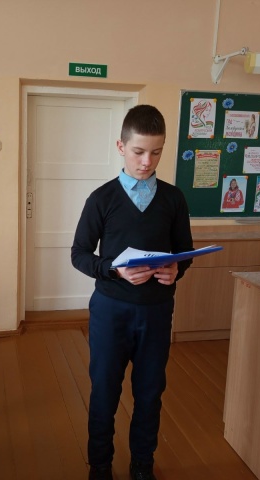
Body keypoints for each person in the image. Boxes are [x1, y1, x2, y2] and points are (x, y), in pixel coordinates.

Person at [71, 105, 193, 480]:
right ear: (121, 146)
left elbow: (185, 252)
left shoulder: (173, 199)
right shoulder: (102, 198)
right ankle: (100, 465)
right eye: (139, 151)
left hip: (156, 311)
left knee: (150, 392)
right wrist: (113, 269)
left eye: (156, 152)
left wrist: (177, 269)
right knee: (105, 391)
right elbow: (79, 254)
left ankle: (142, 464)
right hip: (111, 311)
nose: (146, 161)